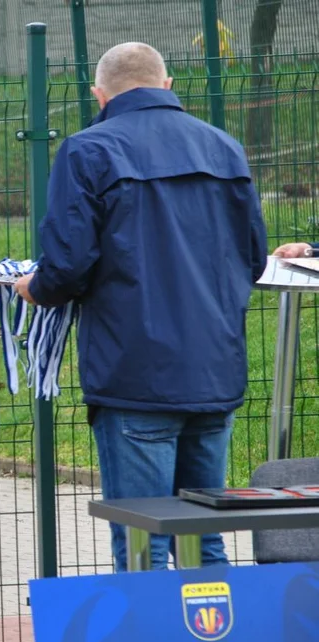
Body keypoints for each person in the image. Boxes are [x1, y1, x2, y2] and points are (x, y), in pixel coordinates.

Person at [15, 42, 268, 572]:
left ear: (99, 94)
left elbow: (67, 265)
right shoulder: (224, 148)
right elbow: (255, 258)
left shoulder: (87, 151)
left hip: (136, 376)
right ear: (167, 84)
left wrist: (34, 289)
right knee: (205, 537)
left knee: (141, 543)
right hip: (214, 372)